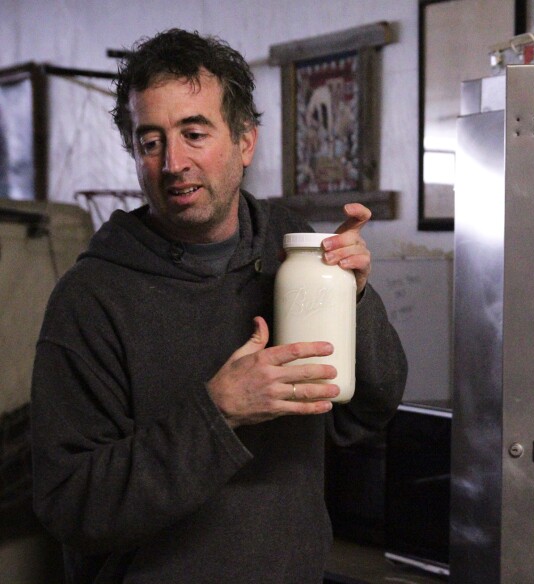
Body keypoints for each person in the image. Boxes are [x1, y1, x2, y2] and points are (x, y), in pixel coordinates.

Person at [29, 28, 407, 584]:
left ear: (245, 140)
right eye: (150, 140)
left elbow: (367, 414)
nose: (173, 162)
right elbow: (71, 506)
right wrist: (218, 413)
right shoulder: (91, 299)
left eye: (194, 133)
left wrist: (353, 298)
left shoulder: (291, 246)